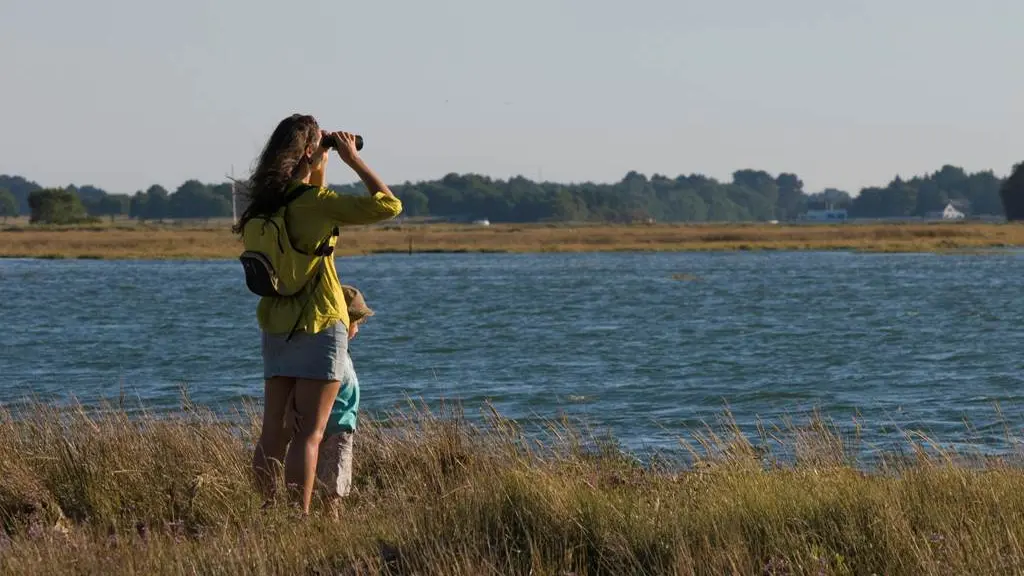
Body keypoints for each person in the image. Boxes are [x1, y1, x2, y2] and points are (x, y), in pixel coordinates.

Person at [233, 114, 402, 514]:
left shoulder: (258, 206)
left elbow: (299, 222)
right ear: (309, 151)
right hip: (320, 323)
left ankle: (267, 510)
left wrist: (316, 167)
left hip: (275, 323)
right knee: (310, 433)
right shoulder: (315, 204)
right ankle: (299, 516)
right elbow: (389, 206)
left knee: (272, 430)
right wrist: (351, 159)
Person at [282, 284, 372, 514]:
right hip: (337, 427)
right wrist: (290, 407)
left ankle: (316, 516)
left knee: (327, 481)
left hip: (329, 426)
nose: (357, 331)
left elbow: (301, 379)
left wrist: (290, 406)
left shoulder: (330, 352)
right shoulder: (333, 355)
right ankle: (330, 522)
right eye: (355, 324)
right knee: (334, 488)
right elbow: (304, 380)